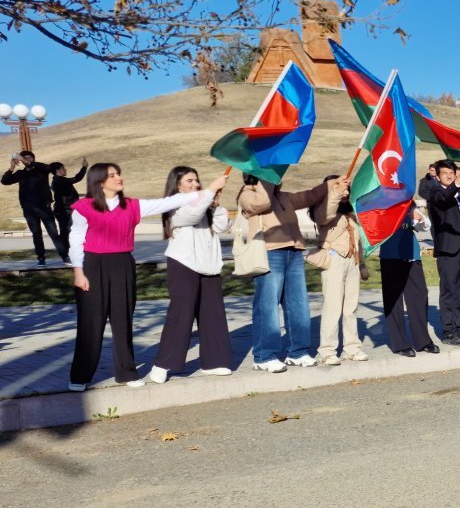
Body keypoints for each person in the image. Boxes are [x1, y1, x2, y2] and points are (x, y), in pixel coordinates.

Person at [67, 163, 226, 390]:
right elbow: (75, 241)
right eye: (112, 175)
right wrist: (78, 272)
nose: (119, 178)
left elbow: (169, 202)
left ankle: (127, 372)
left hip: (122, 263)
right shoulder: (83, 207)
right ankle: (80, 376)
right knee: (90, 324)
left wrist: (207, 192)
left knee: (123, 321)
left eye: (118, 173)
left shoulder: (132, 205)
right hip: (92, 265)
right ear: (99, 181)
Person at [239, 173, 342, 372]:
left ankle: (298, 352)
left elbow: (308, 196)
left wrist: (330, 185)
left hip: (293, 252)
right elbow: (261, 202)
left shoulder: (283, 196)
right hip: (269, 252)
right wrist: (266, 180)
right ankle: (263, 356)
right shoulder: (247, 193)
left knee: (298, 304)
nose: (278, 176)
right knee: (267, 306)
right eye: (273, 172)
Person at [150, 165, 233, 383]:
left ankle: (215, 362)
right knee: (181, 314)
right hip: (183, 264)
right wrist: (211, 189)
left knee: (212, 315)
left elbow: (223, 226)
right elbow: (191, 215)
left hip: (209, 265)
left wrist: (216, 205)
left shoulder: (204, 203)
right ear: (177, 185)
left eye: (196, 180)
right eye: (189, 181)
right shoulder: (175, 205)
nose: (195, 184)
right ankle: (164, 364)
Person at [419, 160, 460, 347]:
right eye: (444, 172)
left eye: (452, 172)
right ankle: (448, 331)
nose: (449, 175)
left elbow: (456, 198)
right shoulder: (435, 193)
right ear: (437, 176)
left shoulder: (457, 192)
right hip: (447, 250)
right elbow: (444, 198)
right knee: (449, 291)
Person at [311, 175, 368, 365]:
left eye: (346, 189)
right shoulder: (322, 208)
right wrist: (335, 192)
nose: (344, 192)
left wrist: (362, 264)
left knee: (350, 307)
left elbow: (357, 239)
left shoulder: (350, 212)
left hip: (352, 261)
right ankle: (326, 351)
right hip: (334, 259)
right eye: (339, 187)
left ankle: (351, 348)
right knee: (333, 306)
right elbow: (324, 216)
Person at [380, 203, 439, 357]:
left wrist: (418, 218)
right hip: (391, 255)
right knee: (394, 300)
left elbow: (425, 226)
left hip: (412, 255)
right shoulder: (381, 203)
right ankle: (400, 344)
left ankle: (422, 340)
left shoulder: (408, 203)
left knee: (419, 297)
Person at [3, 149, 67, 263]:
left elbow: (50, 168)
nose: (26, 160)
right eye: (24, 158)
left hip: (44, 207)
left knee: (53, 233)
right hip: (28, 209)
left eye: (29, 157)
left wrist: (30, 163)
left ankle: (65, 256)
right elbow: (5, 181)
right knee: (36, 235)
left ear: (33, 159)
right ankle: (41, 258)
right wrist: (12, 167)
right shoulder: (20, 174)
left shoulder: (41, 170)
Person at [50, 159, 87, 245]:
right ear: (57, 171)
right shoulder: (60, 181)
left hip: (62, 209)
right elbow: (77, 178)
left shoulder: (55, 181)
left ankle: (66, 249)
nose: (65, 169)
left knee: (65, 231)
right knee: (67, 231)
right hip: (66, 210)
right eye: (63, 168)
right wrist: (84, 167)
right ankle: (67, 250)